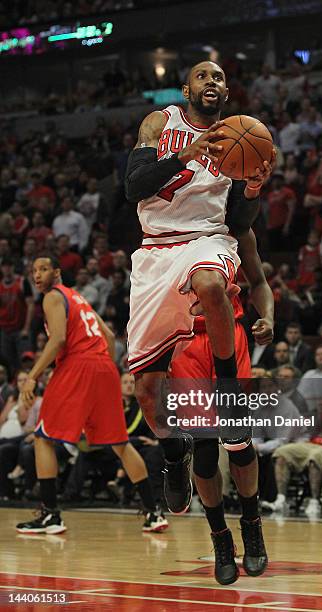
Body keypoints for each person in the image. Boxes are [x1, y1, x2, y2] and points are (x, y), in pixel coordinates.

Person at [125, 61, 272, 583]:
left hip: (207, 241)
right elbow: (134, 185)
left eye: (220, 77)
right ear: (187, 89)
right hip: (155, 250)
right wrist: (183, 154)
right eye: (203, 76)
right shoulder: (158, 123)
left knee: (211, 283)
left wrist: (252, 191)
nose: (213, 82)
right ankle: (171, 455)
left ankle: (228, 382)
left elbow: (238, 225)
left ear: (227, 91)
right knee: (145, 391)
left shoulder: (239, 137)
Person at [16, 256, 160, 534]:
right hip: (104, 367)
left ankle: (50, 515)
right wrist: (98, 365)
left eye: (43, 269)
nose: (37, 275)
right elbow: (107, 336)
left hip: (78, 365)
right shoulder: (78, 298)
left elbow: (57, 340)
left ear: (56, 273)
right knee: (119, 442)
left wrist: (32, 376)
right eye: (33, 270)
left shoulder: (53, 297)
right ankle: (153, 512)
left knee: (42, 438)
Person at [170, 229, 273, 584]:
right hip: (185, 343)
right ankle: (220, 539)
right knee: (204, 450)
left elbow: (259, 281)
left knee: (238, 441)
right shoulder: (166, 230)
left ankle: (252, 524)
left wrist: (269, 317)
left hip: (230, 336)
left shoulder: (236, 230)